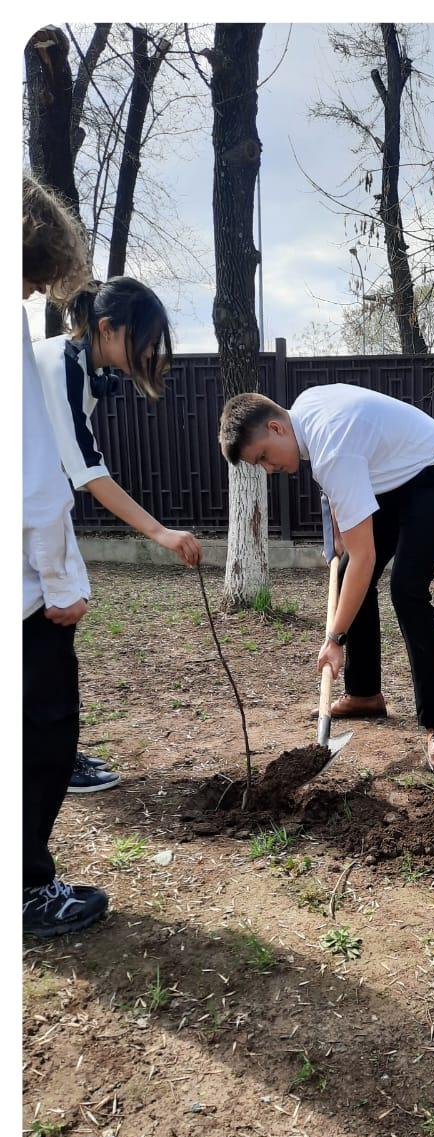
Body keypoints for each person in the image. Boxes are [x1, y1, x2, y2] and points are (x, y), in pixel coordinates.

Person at [219, 385, 434, 770]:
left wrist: (334, 639)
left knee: (407, 589)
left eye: (264, 457)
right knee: (357, 572)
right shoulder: (303, 410)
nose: (269, 470)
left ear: (276, 427)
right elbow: (347, 478)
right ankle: (365, 693)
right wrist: (339, 530)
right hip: (392, 477)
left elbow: (364, 554)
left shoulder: (328, 447)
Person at [31, 275, 202, 793]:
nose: (150, 352)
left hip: (34, 506)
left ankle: (52, 751)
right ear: (108, 328)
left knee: (47, 632)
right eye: (145, 340)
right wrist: (160, 532)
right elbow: (86, 470)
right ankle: (51, 757)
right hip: (26, 511)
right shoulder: (61, 363)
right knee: (48, 631)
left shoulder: (81, 367)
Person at [22, 175, 109, 937]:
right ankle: (27, 891)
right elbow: (38, 480)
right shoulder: (29, 350)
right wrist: (61, 583)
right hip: (23, 596)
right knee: (44, 734)